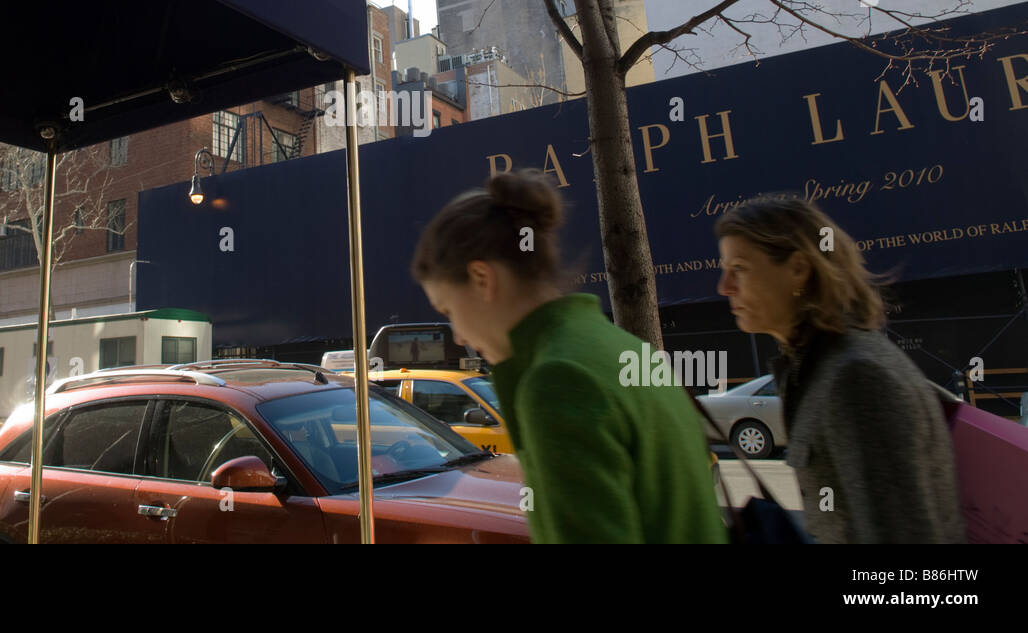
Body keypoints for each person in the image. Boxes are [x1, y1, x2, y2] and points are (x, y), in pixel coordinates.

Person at [410, 169, 726, 544]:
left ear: (482, 278)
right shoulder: (623, 348)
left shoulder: (557, 380)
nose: (458, 335)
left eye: (448, 310)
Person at [715, 196, 964, 543]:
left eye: (739, 268)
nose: (724, 287)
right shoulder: (813, 369)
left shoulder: (857, 378)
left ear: (798, 268)